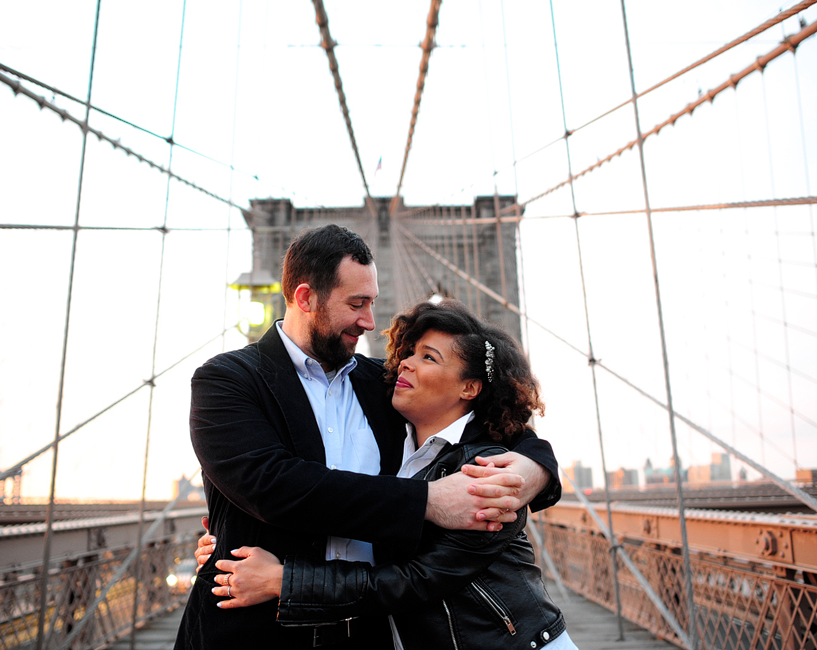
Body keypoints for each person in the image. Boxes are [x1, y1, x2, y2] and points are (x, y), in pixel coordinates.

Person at [174, 225, 561, 649]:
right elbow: (273, 486)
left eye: (372, 303)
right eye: (356, 304)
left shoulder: (385, 385)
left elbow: (494, 420)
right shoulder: (227, 380)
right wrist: (431, 502)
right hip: (255, 631)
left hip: (368, 630)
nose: (370, 322)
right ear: (305, 298)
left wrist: (534, 468)